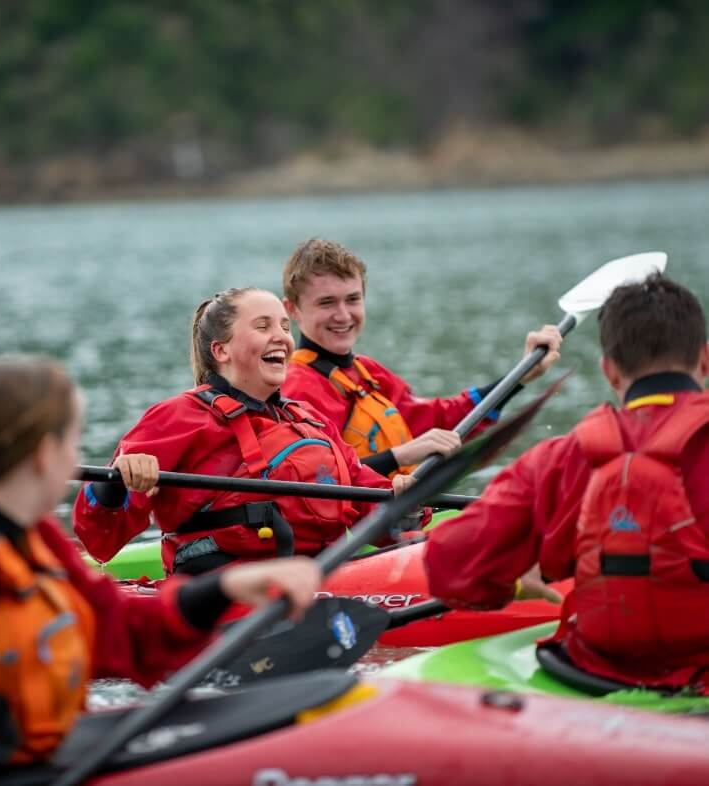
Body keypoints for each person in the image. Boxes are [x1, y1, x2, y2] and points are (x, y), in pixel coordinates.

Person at [0, 356, 322, 786]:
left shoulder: (34, 542)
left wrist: (226, 588)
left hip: (30, 758)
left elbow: (122, 633)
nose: (77, 460)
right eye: (72, 442)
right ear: (44, 454)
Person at [424, 273, 709, 691]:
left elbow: (450, 565)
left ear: (610, 372)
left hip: (598, 676)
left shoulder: (560, 459)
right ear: (705, 360)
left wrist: (516, 584)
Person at [74, 288, 414, 576]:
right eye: (262, 326)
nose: (281, 336)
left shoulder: (309, 420)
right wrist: (118, 482)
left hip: (321, 580)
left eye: (283, 325)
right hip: (225, 596)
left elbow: (372, 505)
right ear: (221, 351)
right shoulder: (180, 417)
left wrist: (403, 500)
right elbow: (97, 535)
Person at [281, 238, 562, 476]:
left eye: (353, 299)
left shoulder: (367, 372)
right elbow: (319, 481)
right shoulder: (295, 388)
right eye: (326, 302)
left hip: (402, 521)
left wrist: (520, 376)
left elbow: (439, 421)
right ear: (292, 310)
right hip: (354, 534)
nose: (343, 315)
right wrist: (399, 457)